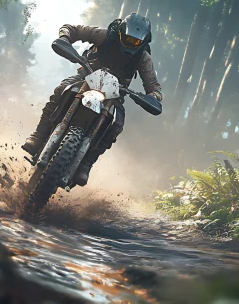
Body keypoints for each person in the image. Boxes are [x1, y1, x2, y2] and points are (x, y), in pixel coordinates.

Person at [21, 13, 163, 186]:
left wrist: (153, 96)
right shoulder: (103, 35)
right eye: (127, 39)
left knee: (117, 125)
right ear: (120, 32)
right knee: (60, 91)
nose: (131, 44)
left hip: (115, 93)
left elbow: (153, 85)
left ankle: (86, 163)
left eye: (135, 42)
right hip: (86, 77)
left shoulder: (143, 58)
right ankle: (38, 135)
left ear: (143, 41)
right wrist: (65, 38)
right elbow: (72, 29)